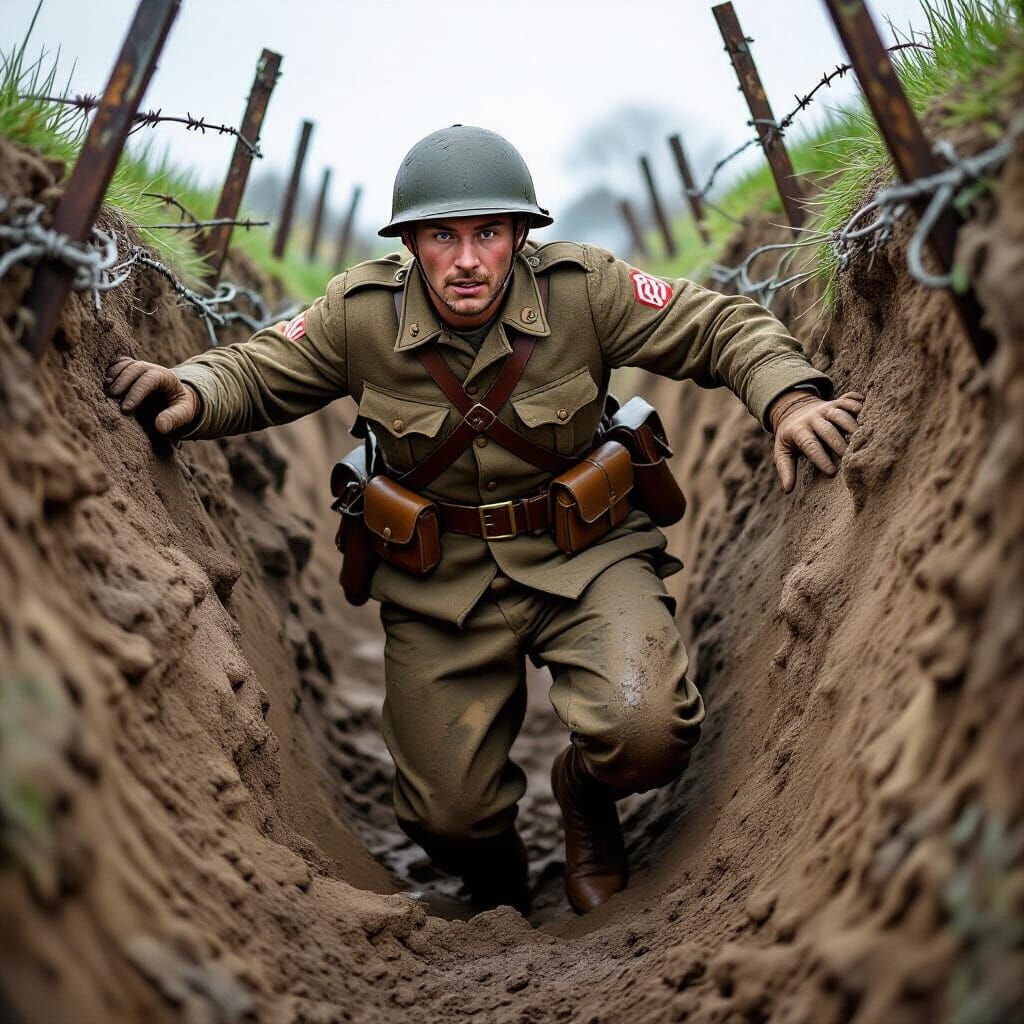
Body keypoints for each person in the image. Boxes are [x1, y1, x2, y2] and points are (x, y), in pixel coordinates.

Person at [105, 125, 863, 916]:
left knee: (649, 735)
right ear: (409, 243)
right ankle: (497, 879)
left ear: (521, 236)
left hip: (585, 552)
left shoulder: (583, 290)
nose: (467, 260)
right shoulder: (360, 315)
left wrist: (788, 399)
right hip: (440, 580)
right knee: (446, 816)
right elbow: (257, 369)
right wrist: (192, 388)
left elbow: (715, 325)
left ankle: (583, 795)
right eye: (443, 236)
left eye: (489, 234)